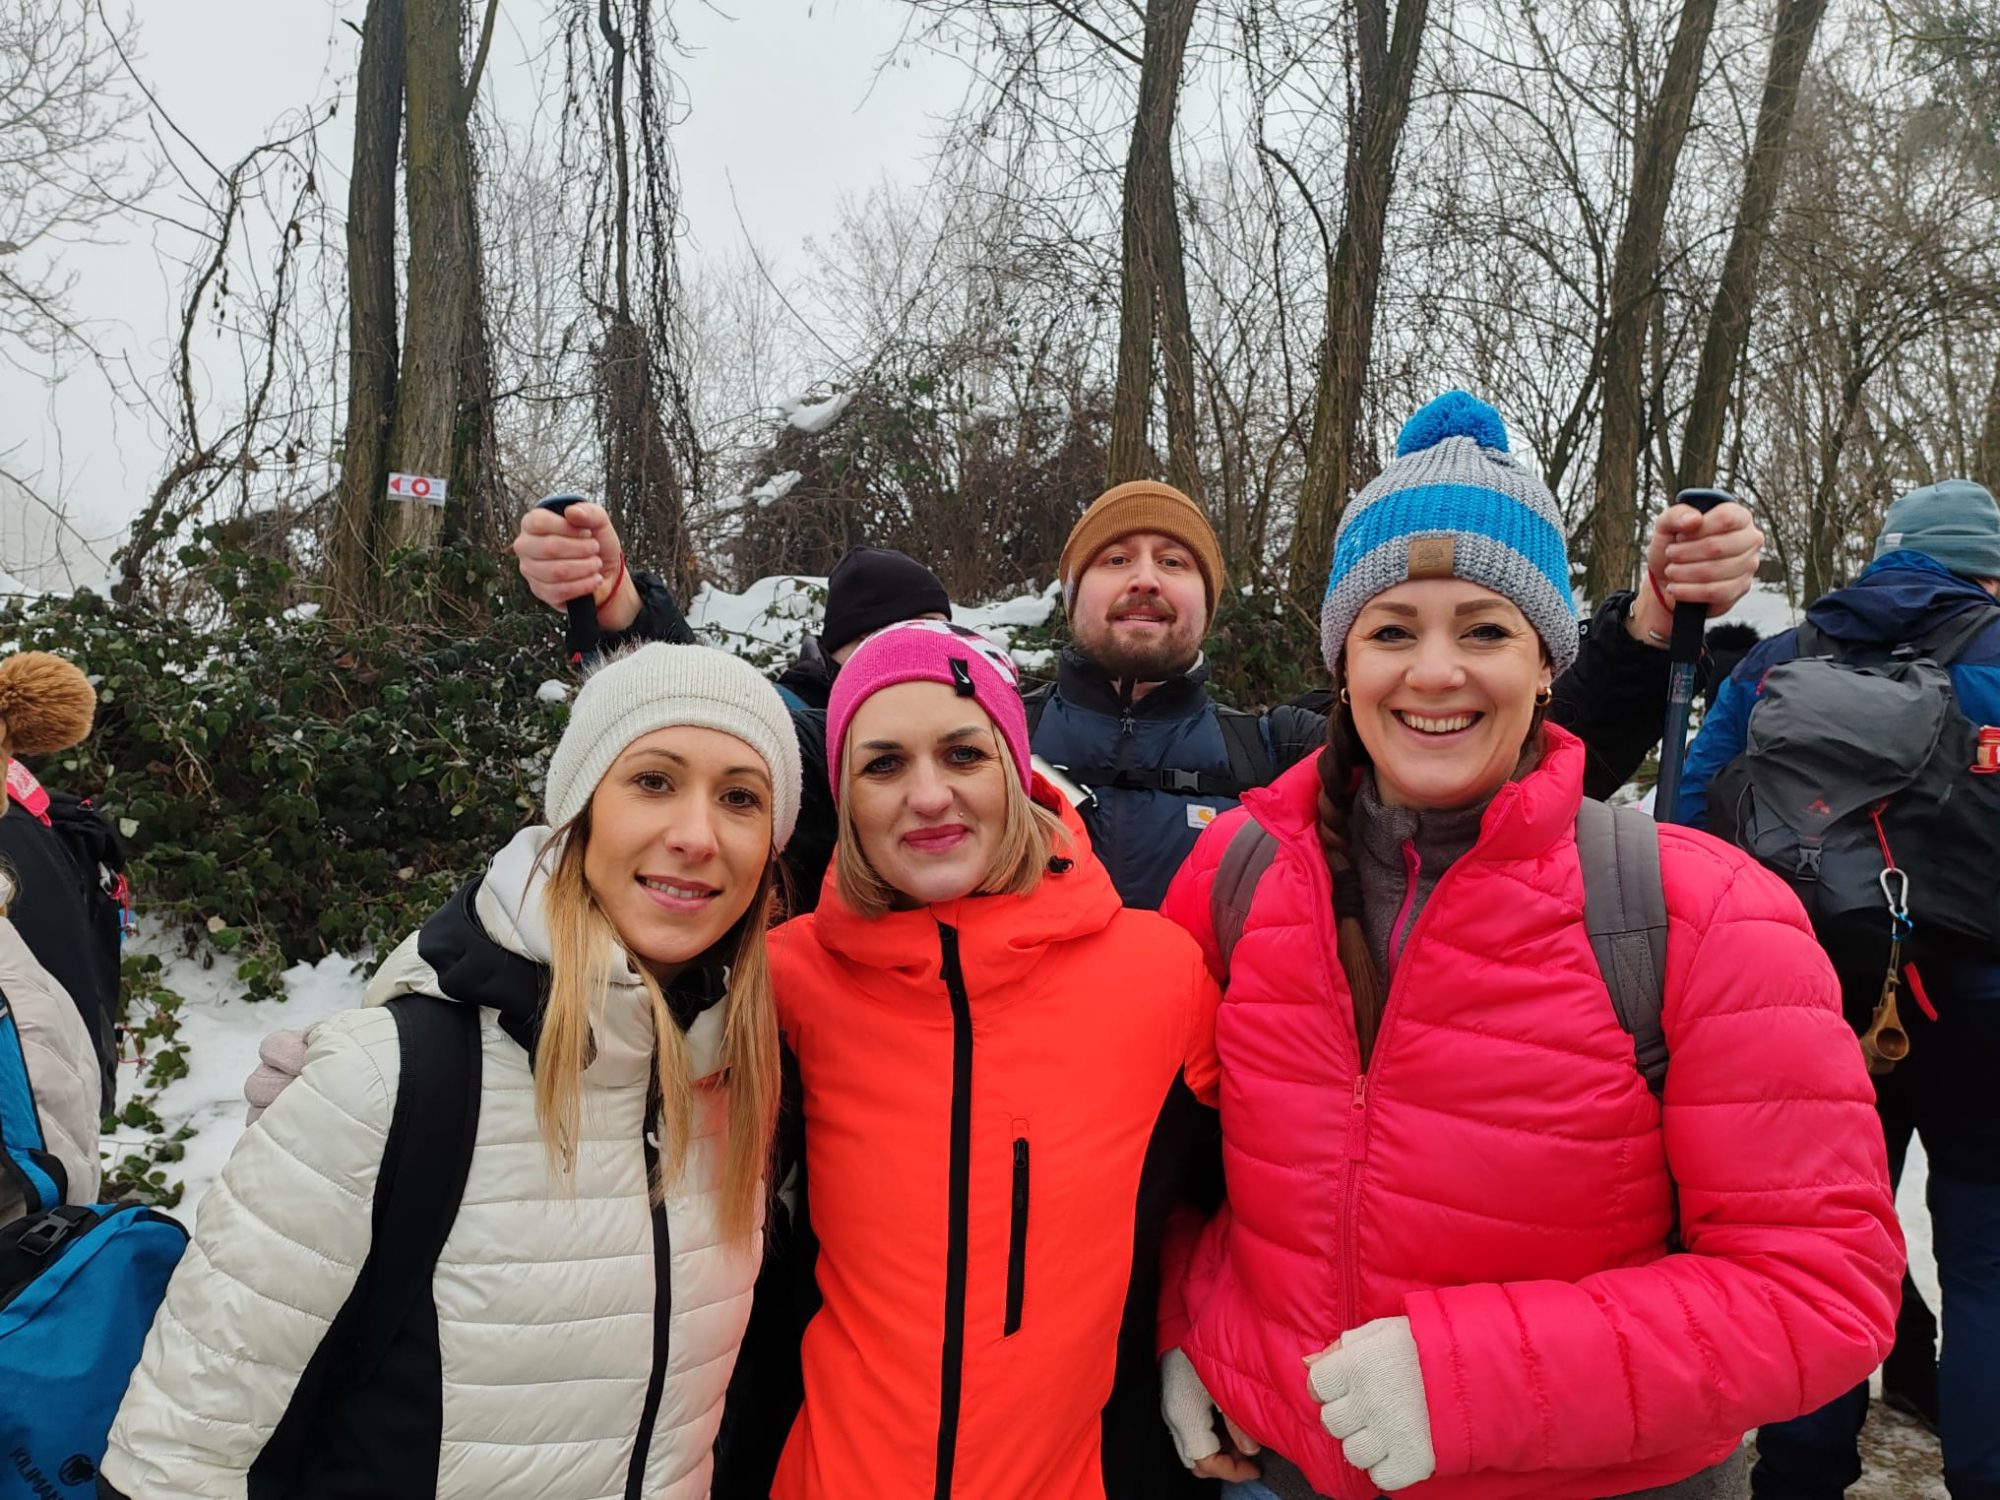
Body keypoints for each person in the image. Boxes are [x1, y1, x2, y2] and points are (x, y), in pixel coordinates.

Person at [1153, 393, 1902, 1500]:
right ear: (1342, 662)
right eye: (1391, 630)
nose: (1434, 671)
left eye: (1484, 630)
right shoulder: (1236, 874)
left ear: (1547, 663)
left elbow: (1820, 1289)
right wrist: (1187, 1324)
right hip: (1283, 1467)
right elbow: (1177, 1166)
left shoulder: (1695, 913)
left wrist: (1469, 1382)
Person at [102, 644, 801, 1499]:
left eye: (740, 797)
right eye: (652, 781)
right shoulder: (388, 1080)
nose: (696, 835)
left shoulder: (743, 1087)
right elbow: (178, 1456)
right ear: (579, 813)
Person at [512, 481, 1765, 912]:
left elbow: (1504, 750)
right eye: (1116, 558)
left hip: (1217, 1154)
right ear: (1074, 592)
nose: (1146, 577)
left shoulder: (1282, 751)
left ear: (1208, 601)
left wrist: (1647, 628)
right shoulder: (978, 740)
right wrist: (623, 617)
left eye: (1174, 561)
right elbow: (765, 747)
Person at [763, 619, 1228, 1499]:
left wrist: (1189, 1337)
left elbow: (1238, 1199)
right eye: (883, 764)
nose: (928, 795)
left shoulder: (1161, 977)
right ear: (844, 797)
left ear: (1017, 771)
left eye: (964, 755)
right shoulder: (788, 982)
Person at [1677, 478, 2000, 1500]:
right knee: (1987, 1267)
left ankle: (1798, 1476)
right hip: (1980, 1009)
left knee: (1812, 1249)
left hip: (1806, 1001)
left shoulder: (1781, 656)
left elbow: (1688, 822)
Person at [513, 507, 951, 711]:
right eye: (883, 638)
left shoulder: (984, 711)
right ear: (838, 649)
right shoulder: (791, 722)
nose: (918, 655)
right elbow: (699, 698)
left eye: (935, 632)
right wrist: (620, 605)